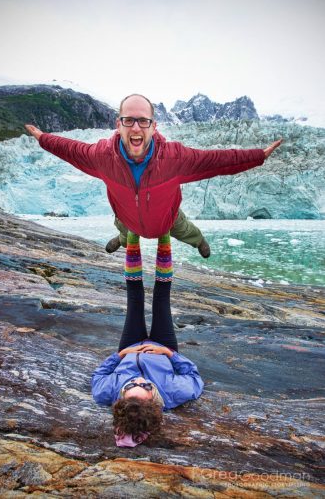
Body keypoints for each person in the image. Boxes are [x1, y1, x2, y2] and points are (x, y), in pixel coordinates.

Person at [25, 93, 282, 259]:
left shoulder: (174, 158)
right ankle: (121, 240)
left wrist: (258, 155)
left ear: (153, 126)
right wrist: (43, 138)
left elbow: (217, 160)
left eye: (143, 121)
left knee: (185, 229)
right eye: (128, 120)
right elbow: (71, 149)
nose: (136, 127)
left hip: (166, 218)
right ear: (119, 125)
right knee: (125, 230)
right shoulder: (101, 157)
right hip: (127, 216)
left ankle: (200, 242)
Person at [91, 232, 204, 447]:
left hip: (130, 347)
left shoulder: (105, 393)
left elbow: (99, 375)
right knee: (162, 297)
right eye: (145, 387)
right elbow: (194, 376)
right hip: (163, 346)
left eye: (131, 385)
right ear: (153, 400)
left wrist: (119, 356)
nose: (139, 381)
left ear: (121, 400)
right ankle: (163, 234)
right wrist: (170, 354)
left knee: (135, 297)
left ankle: (132, 234)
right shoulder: (173, 393)